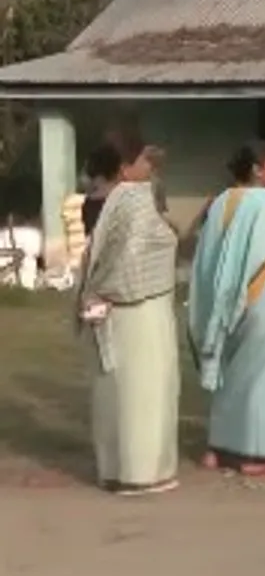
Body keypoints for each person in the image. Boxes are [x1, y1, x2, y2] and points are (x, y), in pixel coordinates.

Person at [188, 140, 265, 476]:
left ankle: (220, 447)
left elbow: (208, 258)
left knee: (231, 372)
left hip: (225, 301)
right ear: (257, 168)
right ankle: (257, 453)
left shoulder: (221, 200)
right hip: (264, 297)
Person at [76, 129, 181, 495]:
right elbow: (149, 246)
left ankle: (113, 469)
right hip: (139, 304)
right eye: (142, 162)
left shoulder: (93, 200)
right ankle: (142, 472)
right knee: (144, 390)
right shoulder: (134, 200)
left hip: (101, 301)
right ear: (124, 168)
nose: (149, 168)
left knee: (111, 388)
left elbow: (96, 253)